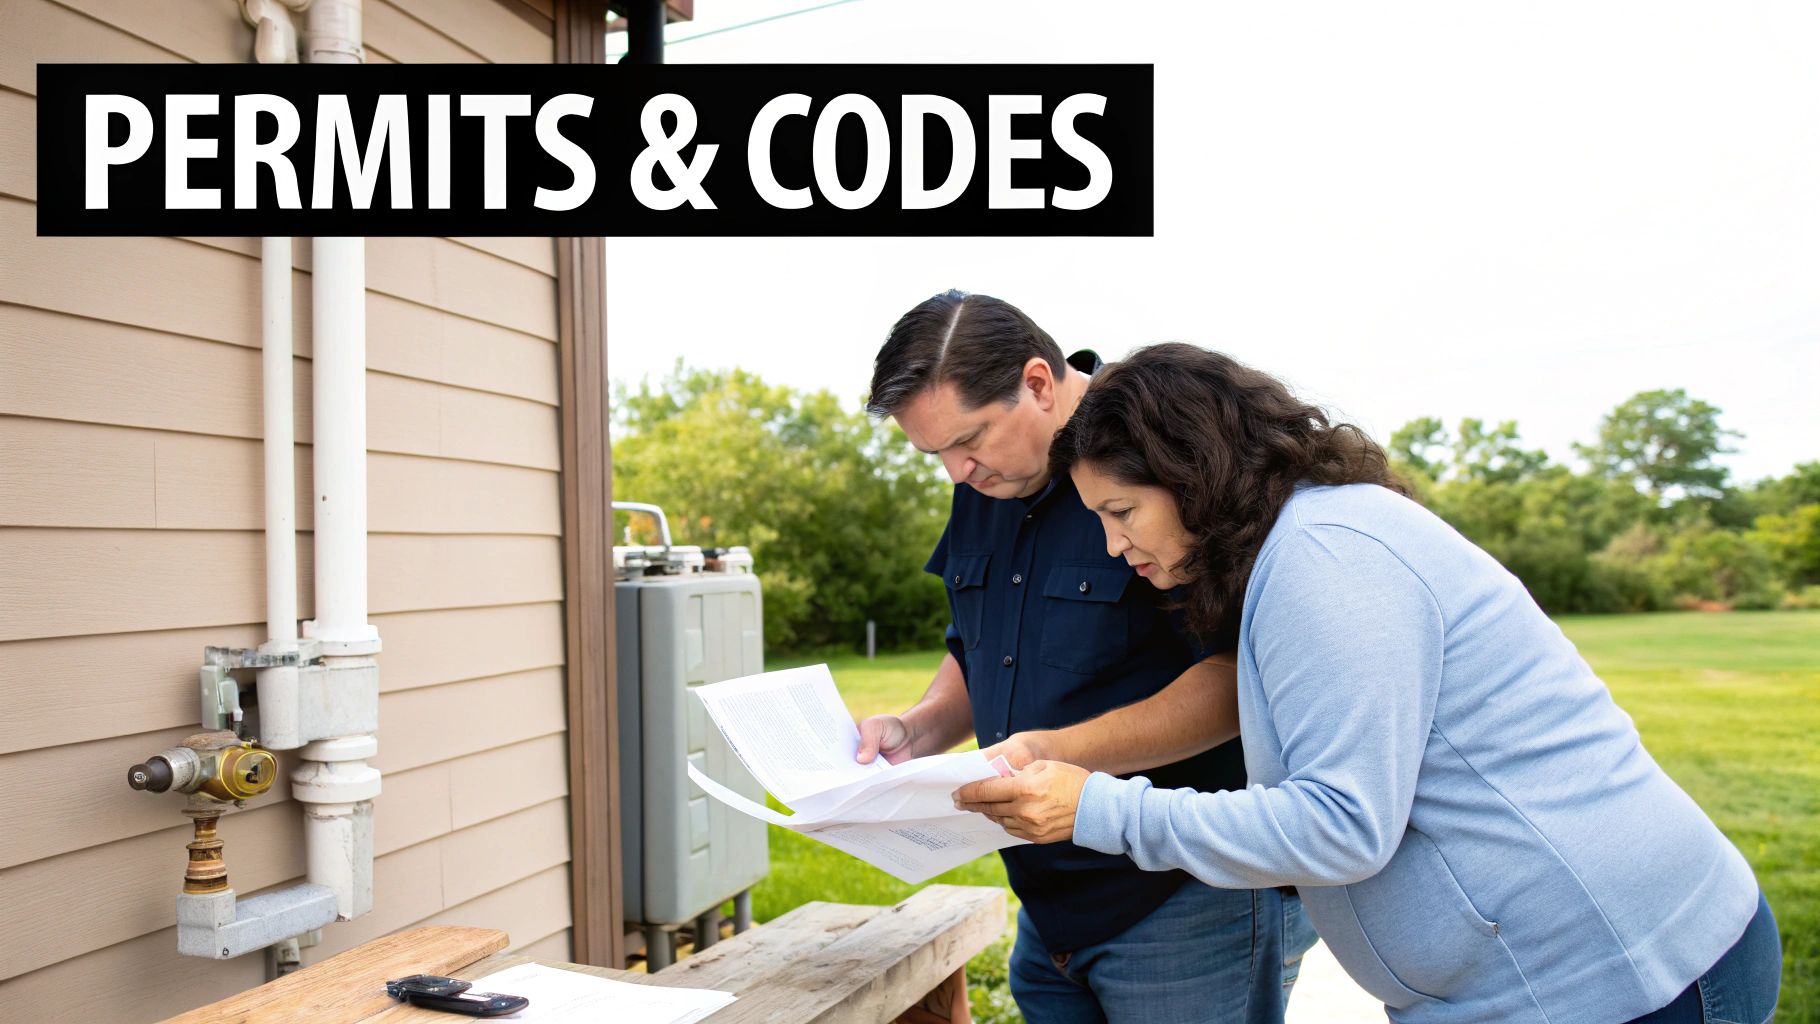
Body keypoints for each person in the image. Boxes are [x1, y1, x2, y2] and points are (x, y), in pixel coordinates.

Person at [955, 343, 1781, 1024]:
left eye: (1122, 512)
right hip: (1535, 985)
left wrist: (1096, 806)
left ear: (1192, 472)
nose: (1110, 547)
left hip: (1626, 978)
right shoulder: (1299, 547)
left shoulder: (1325, 559)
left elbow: (1343, 826)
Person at [862, 293, 1315, 1023]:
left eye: (969, 439)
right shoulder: (985, 481)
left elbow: (1238, 680)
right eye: (935, 453)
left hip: (1183, 898)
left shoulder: (1161, 454)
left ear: (1039, 383)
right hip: (1049, 909)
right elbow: (977, 644)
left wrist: (1053, 753)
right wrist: (920, 728)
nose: (955, 472)